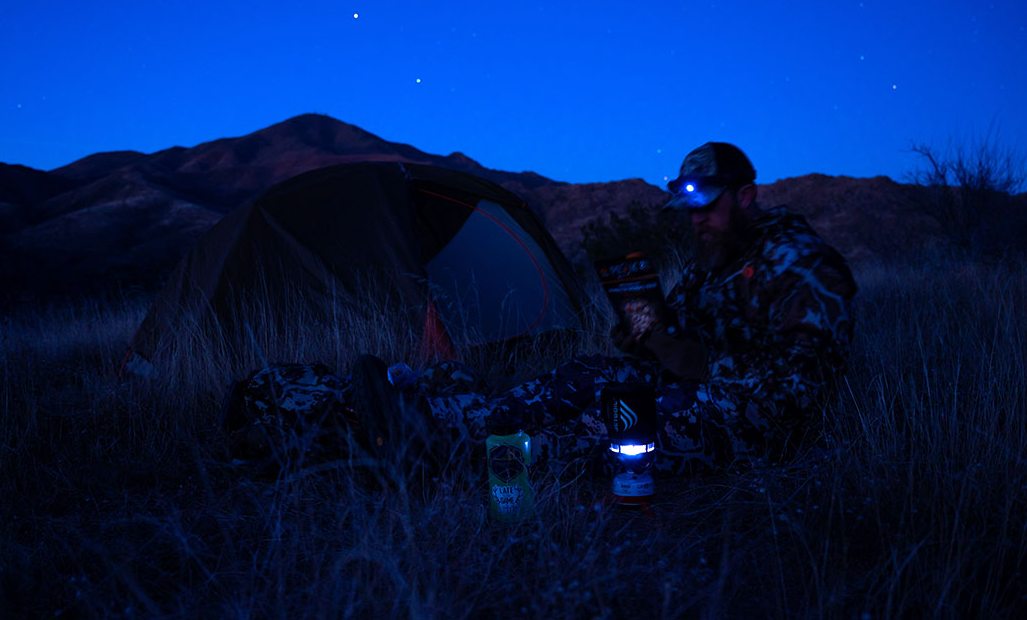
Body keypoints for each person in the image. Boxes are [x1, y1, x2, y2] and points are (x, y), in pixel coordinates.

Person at [223, 142, 857, 477]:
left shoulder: (804, 266)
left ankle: (440, 452)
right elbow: (673, 340)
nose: (697, 223)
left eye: (708, 207)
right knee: (581, 374)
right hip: (685, 386)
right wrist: (643, 336)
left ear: (747, 197)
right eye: (689, 212)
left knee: (595, 432)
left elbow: (787, 398)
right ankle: (419, 416)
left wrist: (681, 360)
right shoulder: (712, 259)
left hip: (739, 426)